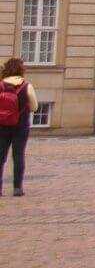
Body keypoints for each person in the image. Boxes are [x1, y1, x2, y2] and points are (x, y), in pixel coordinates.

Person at [0, 57, 36, 196]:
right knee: (18, 155)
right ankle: (17, 188)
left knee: (0, 156)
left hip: (2, 124)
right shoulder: (26, 86)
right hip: (20, 126)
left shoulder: (1, 85)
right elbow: (34, 107)